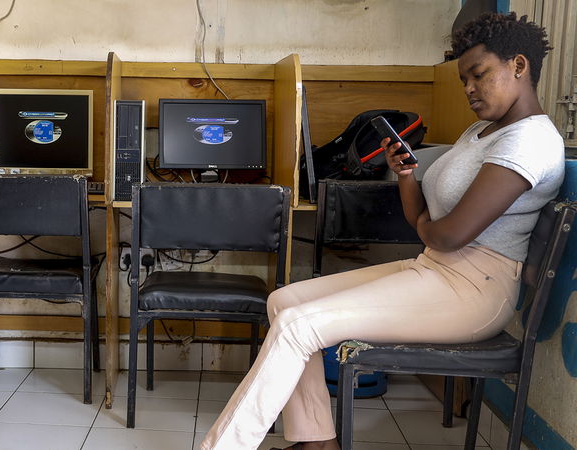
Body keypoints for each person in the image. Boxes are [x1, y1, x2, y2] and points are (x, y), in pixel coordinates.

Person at [200, 12, 564, 450]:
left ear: (519, 66)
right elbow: (426, 226)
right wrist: (406, 176)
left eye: (478, 74)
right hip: (436, 269)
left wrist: (433, 228)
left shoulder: (530, 141)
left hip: (475, 290)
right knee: (284, 300)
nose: (468, 88)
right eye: (463, 77)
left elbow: (448, 235)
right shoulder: (481, 132)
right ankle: (316, 442)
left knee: (299, 325)